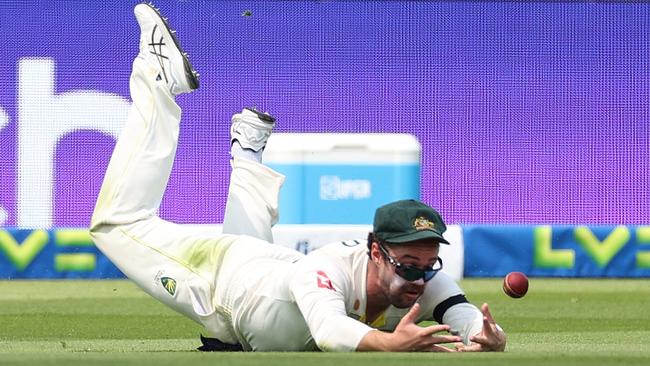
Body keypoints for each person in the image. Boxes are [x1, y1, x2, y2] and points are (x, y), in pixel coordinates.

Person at [90, 3, 506, 352]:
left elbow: (461, 311)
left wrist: (487, 335)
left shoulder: (421, 275)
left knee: (251, 245)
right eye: (410, 266)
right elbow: (328, 332)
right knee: (115, 225)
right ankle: (158, 80)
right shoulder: (326, 270)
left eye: (428, 266)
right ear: (376, 252)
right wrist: (389, 344)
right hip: (223, 286)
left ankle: (248, 153)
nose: (419, 278)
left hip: (262, 274)